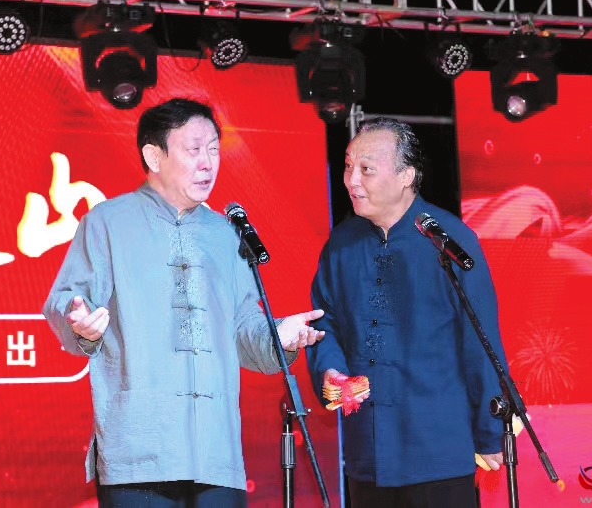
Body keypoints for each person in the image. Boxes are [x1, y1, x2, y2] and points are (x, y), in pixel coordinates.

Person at [42, 98, 325, 508]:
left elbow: (244, 327)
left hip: (215, 453)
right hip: (138, 452)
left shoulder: (226, 234)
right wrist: (79, 322)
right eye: (194, 150)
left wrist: (278, 336)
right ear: (153, 156)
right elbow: (67, 300)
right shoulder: (107, 222)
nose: (207, 163)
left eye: (213, 150)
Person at [305, 118, 508, 508]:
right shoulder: (341, 244)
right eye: (348, 166)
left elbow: (481, 342)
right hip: (369, 454)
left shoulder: (449, 240)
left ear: (406, 176)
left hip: (438, 452)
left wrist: (489, 432)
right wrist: (330, 370)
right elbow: (323, 320)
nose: (351, 180)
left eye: (366, 169)